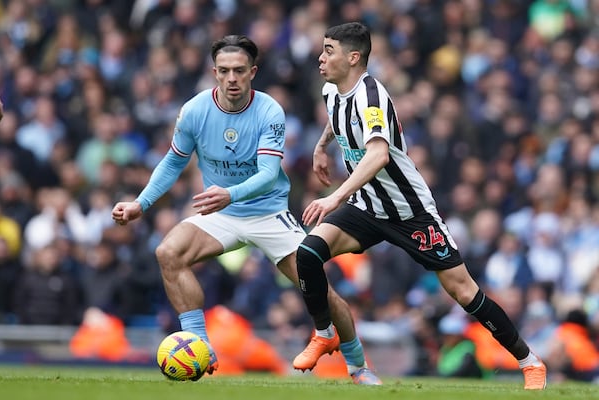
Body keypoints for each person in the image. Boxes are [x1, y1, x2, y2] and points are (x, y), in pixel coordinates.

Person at [111, 34, 380, 384]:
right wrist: (140, 204)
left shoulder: (269, 110)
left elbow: (269, 176)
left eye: (239, 71)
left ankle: (358, 366)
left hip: (269, 213)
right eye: (224, 71)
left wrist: (229, 194)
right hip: (221, 213)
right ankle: (201, 349)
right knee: (168, 252)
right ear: (214, 72)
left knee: (320, 292)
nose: (232, 79)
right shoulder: (194, 111)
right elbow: (173, 162)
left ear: (253, 72)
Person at [292, 22, 547, 390]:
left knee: (464, 292)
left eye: (328, 50)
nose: (320, 56)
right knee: (308, 252)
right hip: (368, 208)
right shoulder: (332, 90)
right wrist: (320, 146)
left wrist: (335, 197)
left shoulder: (372, 96)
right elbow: (338, 119)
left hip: (410, 212)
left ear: (353, 57)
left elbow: (378, 153)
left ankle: (530, 361)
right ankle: (324, 333)